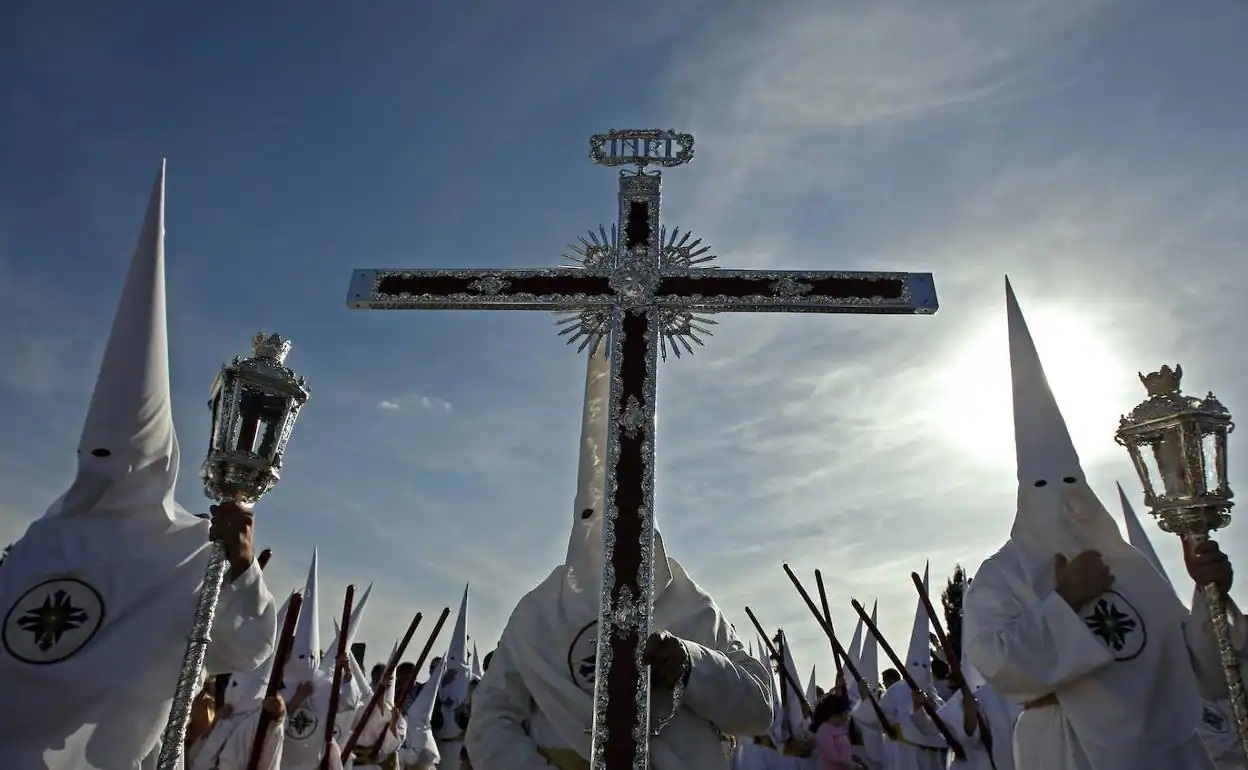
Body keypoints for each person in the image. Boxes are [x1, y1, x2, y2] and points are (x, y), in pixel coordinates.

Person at [0, 161, 277, 770]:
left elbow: (246, 649)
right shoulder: (45, 539)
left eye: (130, 452)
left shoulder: (188, 548)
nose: (110, 464)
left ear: (163, 461)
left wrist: (238, 570)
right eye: (98, 451)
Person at [962, 279, 1248, 770]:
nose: (1065, 499)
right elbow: (1001, 667)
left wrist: (1209, 594)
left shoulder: (1129, 566)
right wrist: (1066, 599)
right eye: (1047, 486)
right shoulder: (1002, 575)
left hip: (1171, 748)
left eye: (1073, 483)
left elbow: (1208, 671)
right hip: (1070, 747)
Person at [465, 341, 774, 770]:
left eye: (630, 514)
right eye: (600, 514)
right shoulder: (539, 613)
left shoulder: (693, 607)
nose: (615, 531)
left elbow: (758, 710)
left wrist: (691, 663)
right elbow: (491, 719)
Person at [812, 691, 855, 770]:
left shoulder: (838, 728)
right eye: (846, 712)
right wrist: (853, 766)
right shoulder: (824, 731)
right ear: (836, 714)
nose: (848, 715)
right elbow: (832, 757)